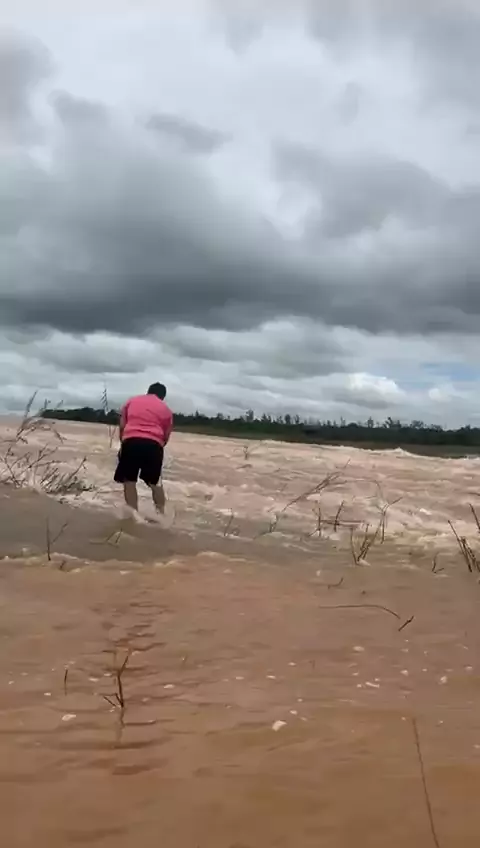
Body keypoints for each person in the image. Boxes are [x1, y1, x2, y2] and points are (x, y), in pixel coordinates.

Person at [114, 382, 173, 518]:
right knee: (155, 482)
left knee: (129, 481)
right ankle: (161, 516)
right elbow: (166, 437)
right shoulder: (166, 410)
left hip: (131, 441)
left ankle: (133, 515)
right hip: (154, 444)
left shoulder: (131, 401)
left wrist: (123, 444)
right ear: (163, 396)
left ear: (148, 391)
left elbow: (122, 426)